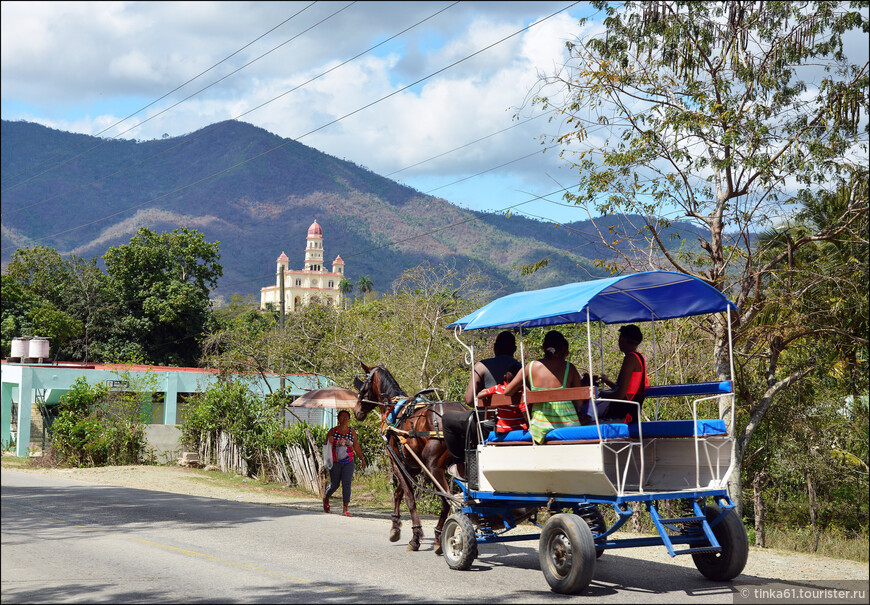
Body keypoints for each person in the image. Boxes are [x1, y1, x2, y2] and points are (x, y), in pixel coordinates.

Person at [443, 331, 522, 477]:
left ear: (494, 348)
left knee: (447, 418)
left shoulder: (482, 366)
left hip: (488, 426)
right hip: (519, 423)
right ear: (515, 349)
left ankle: (461, 469)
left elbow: (468, 399)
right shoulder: (522, 368)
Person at [502, 330, 584, 444]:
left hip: (540, 427)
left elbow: (508, 391)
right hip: (567, 424)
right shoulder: (569, 368)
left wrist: (525, 389)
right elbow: (580, 403)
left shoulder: (529, 367)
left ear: (543, 347)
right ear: (562, 348)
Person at [591, 324, 649, 424]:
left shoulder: (630, 358)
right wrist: (608, 381)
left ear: (622, 339)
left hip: (625, 412)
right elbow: (625, 390)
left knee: (586, 412)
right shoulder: (639, 358)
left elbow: (620, 395)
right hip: (632, 409)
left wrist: (600, 394)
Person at [323, 409, 366, 516]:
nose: (345, 419)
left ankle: (345, 509)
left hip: (348, 461)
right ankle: (326, 497)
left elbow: (356, 445)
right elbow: (325, 445)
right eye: (342, 416)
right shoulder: (333, 431)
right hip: (335, 462)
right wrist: (329, 439)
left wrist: (362, 458)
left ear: (349, 420)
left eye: (346, 417)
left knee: (347, 483)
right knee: (335, 484)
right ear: (338, 419)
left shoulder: (352, 431)